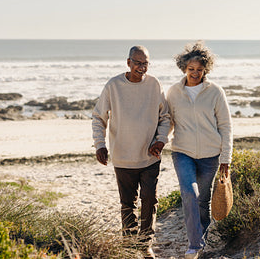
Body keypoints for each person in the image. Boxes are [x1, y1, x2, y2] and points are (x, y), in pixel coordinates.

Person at [92, 45, 170, 259]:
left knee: (150, 199)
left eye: (145, 63)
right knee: (127, 204)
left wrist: (161, 140)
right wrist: (100, 144)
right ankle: (128, 245)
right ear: (128, 62)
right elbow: (99, 117)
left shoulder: (154, 85)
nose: (141, 67)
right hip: (123, 157)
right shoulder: (113, 85)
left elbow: (165, 118)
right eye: (137, 62)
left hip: (149, 156)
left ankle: (145, 244)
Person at [166, 41, 233, 259]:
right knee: (189, 193)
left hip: (210, 156)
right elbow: (169, 122)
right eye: (191, 69)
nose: (195, 73)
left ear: (206, 69)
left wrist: (226, 157)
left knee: (203, 201)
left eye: (199, 69)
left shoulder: (215, 92)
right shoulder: (174, 92)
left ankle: (200, 238)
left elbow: (225, 125)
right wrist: (158, 141)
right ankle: (194, 245)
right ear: (184, 68)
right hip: (182, 151)